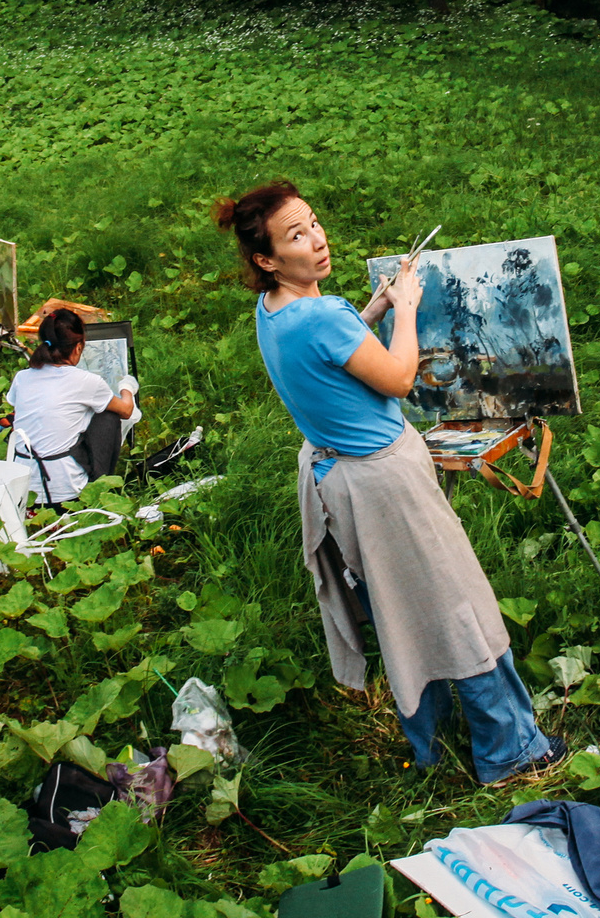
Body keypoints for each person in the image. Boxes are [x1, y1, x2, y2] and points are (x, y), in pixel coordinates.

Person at [215, 180, 562, 785]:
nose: (317, 240)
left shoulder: (275, 311)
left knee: (401, 613)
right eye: (296, 236)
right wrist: (404, 308)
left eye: (315, 223)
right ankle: (511, 750)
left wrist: (373, 307)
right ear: (266, 259)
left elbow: (337, 350)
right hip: (382, 484)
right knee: (458, 607)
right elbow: (399, 379)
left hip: (339, 482)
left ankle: (428, 745)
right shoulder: (320, 317)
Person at [7, 307, 139, 506]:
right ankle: (98, 487)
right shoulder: (86, 381)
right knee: (108, 416)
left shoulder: (22, 377)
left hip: (23, 490)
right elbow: (126, 410)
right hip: (65, 492)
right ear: (78, 347)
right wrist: (127, 387)